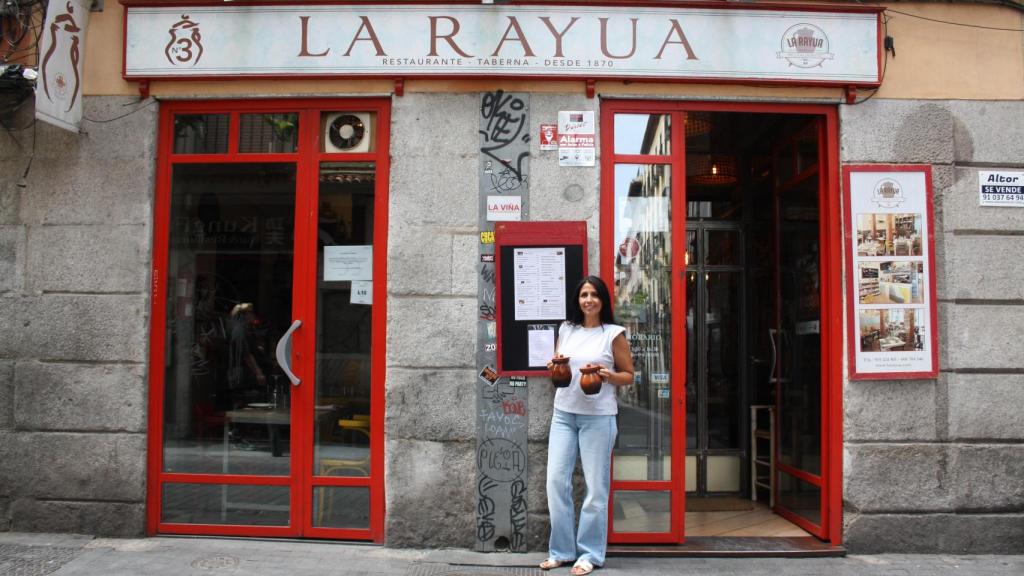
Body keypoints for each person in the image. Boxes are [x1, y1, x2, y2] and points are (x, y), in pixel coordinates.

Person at [540, 275, 635, 576]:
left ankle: (590, 554)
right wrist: (554, 365)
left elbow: (629, 375)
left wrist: (608, 375)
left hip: (599, 418)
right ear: (577, 300)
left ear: (603, 300)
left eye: (594, 294)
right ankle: (562, 551)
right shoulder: (566, 329)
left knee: (595, 488)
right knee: (556, 482)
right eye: (583, 295)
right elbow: (559, 363)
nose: (588, 300)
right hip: (564, 415)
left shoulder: (613, 333)